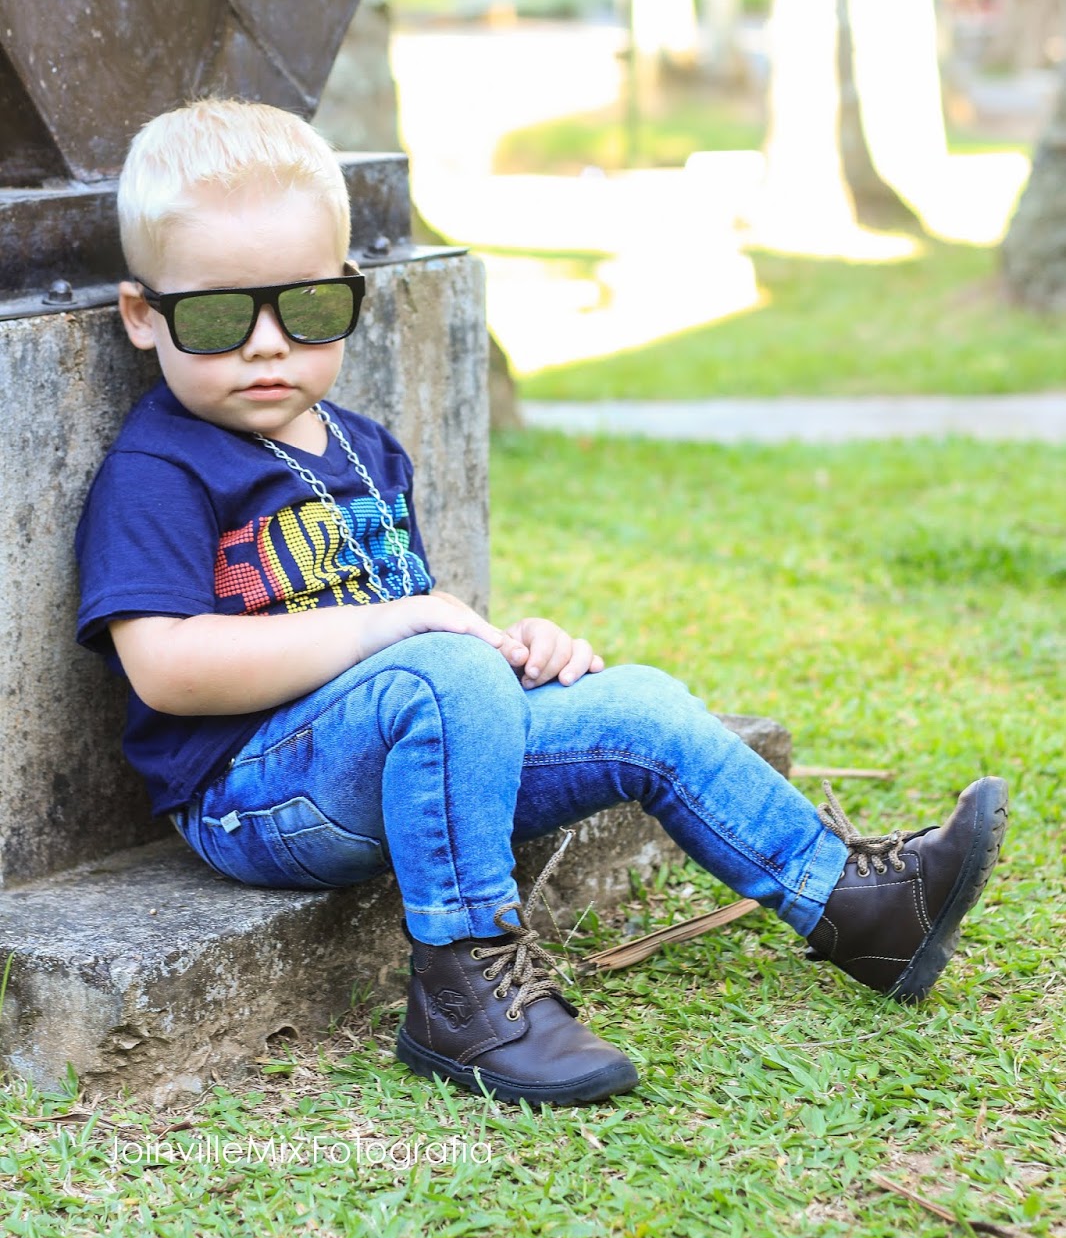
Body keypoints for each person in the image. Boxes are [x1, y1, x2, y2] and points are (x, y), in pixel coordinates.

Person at [76, 99, 1009, 1108]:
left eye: (305, 308)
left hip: (395, 762)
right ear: (143, 315)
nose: (267, 346)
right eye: (220, 316)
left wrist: (503, 653)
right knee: (440, 668)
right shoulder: (161, 467)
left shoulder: (361, 446)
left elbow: (412, 624)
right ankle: (463, 986)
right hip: (257, 799)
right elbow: (167, 670)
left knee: (638, 703)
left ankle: (859, 905)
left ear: (348, 290)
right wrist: (409, 636)